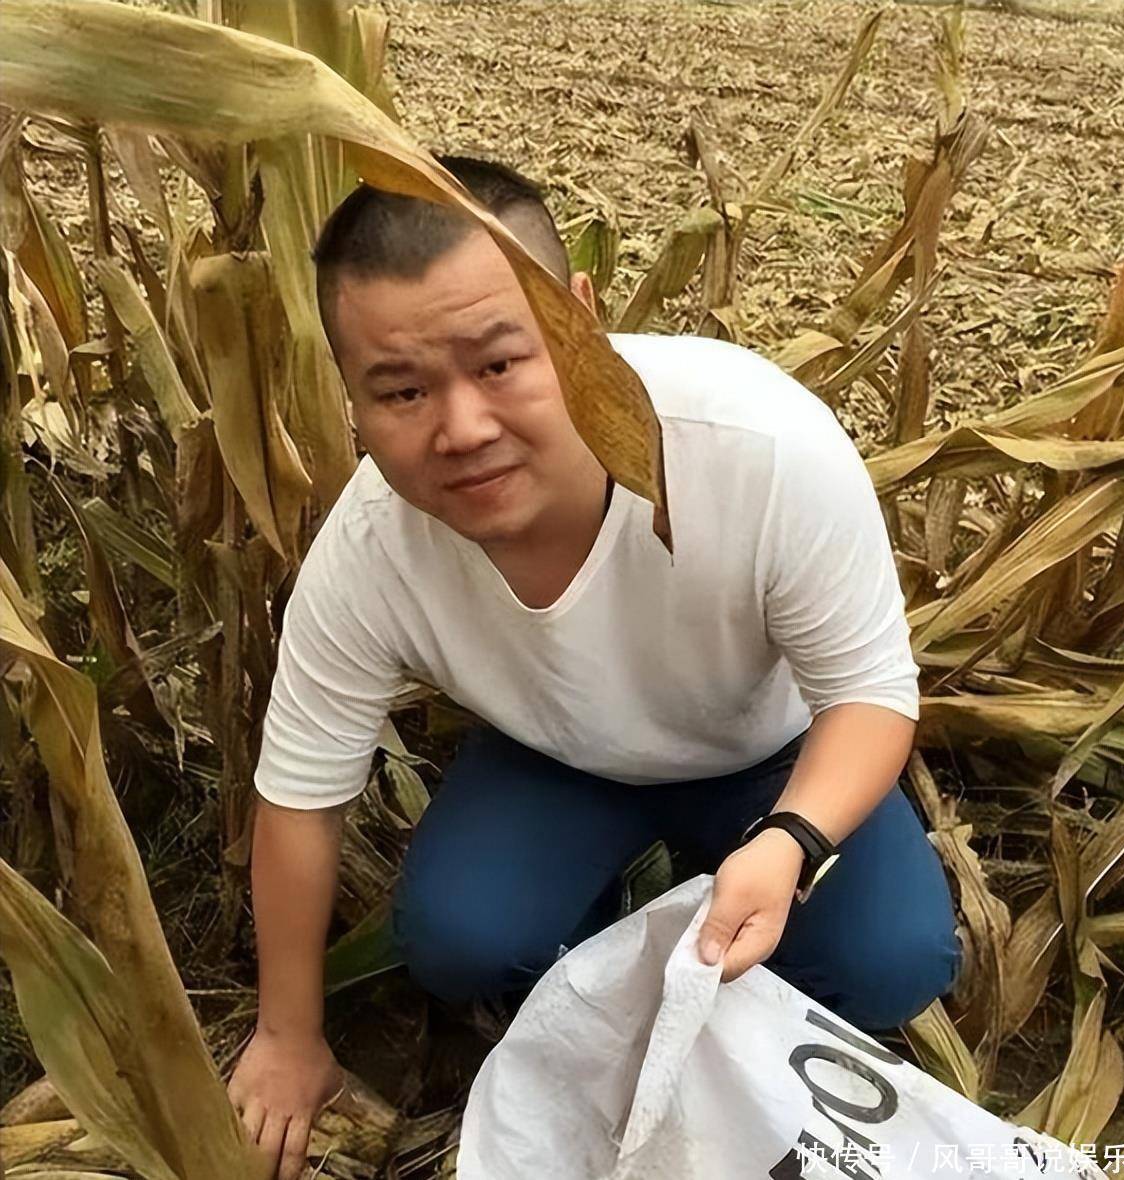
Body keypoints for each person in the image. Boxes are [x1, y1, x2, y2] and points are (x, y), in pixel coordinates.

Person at [227, 155, 963, 1179]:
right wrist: (287, 1035)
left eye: (500, 363)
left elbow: (871, 693)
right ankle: (599, 964)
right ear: (348, 390)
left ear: (582, 318)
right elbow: (300, 801)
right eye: (401, 389)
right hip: (556, 756)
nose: (463, 429)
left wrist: (792, 838)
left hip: (769, 756)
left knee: (893, 961)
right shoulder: (370, 549)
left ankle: (728, 973)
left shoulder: (761, 449)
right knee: (459, 940)